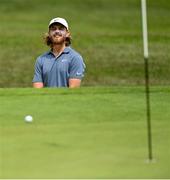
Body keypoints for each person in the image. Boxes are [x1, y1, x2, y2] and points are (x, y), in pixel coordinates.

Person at [32, 17, 85, 88]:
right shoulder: (41, 59)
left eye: (61, 29)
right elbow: (37, 91)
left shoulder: (75, 58)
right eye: (53, 29)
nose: (57, 31)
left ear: (67, 33)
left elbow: (73, 90)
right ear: (49, 34)